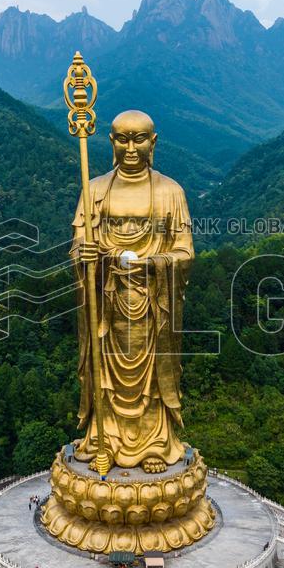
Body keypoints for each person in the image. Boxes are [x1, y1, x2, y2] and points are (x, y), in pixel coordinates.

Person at [72, 110, 194, 474]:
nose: (130, 147)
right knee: (105, 378)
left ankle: (155, 441)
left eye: (138, 139)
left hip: (152, 306)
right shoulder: (94, 190)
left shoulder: (171, 192)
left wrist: (152, 263)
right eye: (122, 139)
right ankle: (103, 437)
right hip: (107, 305)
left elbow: (185, 253)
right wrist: (87, 254)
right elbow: (78, 245)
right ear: (111, 142)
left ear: (152, 142)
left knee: (152, 378)